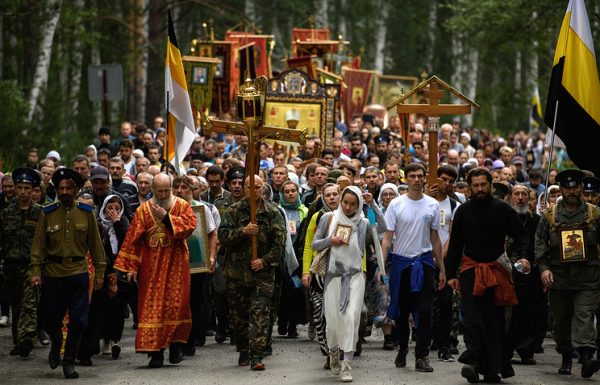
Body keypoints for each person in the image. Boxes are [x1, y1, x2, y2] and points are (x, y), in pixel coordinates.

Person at [445, 167, 528, 384]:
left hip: (496, 271)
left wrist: (522, 257)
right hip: (471, 271)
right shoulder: (463, 211)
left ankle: (492, 370)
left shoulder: (502, 209)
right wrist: (451, 273)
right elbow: (455, 245)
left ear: (490, 185)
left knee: (493, 322)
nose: (480, 189)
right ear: (470, 188)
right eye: (475, 185)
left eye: (483, 184)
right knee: (473, 320)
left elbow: (522, 237)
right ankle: (473, 362)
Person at [113, 173, 197, 368]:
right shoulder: (143, 210)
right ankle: (155, 353)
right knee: (153, 308)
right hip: (151, 267)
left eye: (167, 190)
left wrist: (167, 218)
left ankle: (175, 347)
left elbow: (190, 226)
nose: (164, 194)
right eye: (160, 191)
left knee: (176, 306)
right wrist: (131, 267)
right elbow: (133, 240)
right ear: (153, 189)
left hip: (176, 265)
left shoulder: (182, 206)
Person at [30, 168, 106, 379]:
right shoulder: (47, 212)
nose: (64, 191)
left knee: (79, 321)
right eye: (61, 188)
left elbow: (96, 246)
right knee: (51, 320)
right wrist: (35, 271)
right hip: (53, 274)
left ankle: (69, 361)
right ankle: (56, 343)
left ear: (76, 190)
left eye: (68, 188)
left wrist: (100, 272)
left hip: (78, 272)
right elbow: (38, 246)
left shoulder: (85, 212)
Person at [535, 169, 600, 378]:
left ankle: (587, 359)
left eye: (575, 187)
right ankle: (565, 357)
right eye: (567, 188)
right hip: (559, 277)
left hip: (588, 277)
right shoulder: (550, 214)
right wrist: (543, 269)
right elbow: (539, 244)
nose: (571, 191)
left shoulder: (594, 214)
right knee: (561, 320)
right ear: (561, 189)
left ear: (581, 188)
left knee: (584, 316)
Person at [381, 162, 446, 373]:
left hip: (425, 262)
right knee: (401, 312)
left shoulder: (432, 205)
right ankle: (402, 347)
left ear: (424, 178)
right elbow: (387, 238)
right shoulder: (396, 204)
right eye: (412, 176)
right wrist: (382, 268)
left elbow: (435, 237)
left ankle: (422, 356)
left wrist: (442, 268)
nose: (416, 180)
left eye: (420, 176)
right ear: (405, 179)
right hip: (401, 264)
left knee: (425, 311)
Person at [218, 175, 286, 371]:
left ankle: (257, 354)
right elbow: (223, 236)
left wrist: (264, 261)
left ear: (263, 188)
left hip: (262, 275)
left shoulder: (272, 212)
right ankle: (243, 349)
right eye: (250, 187)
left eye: (258, 187)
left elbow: (279, 243)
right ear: (244, 189)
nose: (254, 190)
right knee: (238, 317)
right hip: (237, 274)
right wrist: (243, 231)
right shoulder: (233, 211)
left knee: (260, 314)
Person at [311, 186, 370, 382]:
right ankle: (334, 352)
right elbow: (315, 244)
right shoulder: (328, 218)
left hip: (354, 277)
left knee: (352, 317)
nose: (348, 207)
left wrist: (375, 204)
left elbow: (384, 230)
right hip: (333, 277)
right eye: (345, 202)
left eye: (353, 204)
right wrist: (331, 240)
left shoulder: (363, 223)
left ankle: (347, 364)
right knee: (333, 322)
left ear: (359, 204)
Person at [172, 175, 217, 354]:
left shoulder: (201, 209)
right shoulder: (168, 208)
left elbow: (212, 234)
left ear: (191, 190)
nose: (180, 190)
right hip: (174, 264)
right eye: (177, 187)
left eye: (184, 187)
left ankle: (192, 339)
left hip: (197, 263)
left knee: (195, 301)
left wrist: (211, 257)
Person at [0, 168, 42, 358]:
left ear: (33, 190)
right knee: (15, 304)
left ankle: (27, 338)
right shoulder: (7, 213)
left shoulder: (40, 213)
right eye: (20, 188)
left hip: (30, 265)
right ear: (15, 189)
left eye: (27, 188)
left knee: (29, 302)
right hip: (10, 264)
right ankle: (18, 341)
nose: (23, 192)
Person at [301, 183, 341, 368]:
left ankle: (341, 349)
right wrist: (306, 271)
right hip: (320, 273)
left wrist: (362, 270)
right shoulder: (318, 217)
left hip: (343, 272)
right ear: (323, 198)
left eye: (335, 194)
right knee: (320, 314)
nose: (332, 197)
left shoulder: (351, 216)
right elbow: (309, 245)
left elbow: (360, 248)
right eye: (328, 195)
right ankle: (328, 353)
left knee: (340, 314)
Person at [505, 184, 544, 366]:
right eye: (516, 194)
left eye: (524, 194)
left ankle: (526, 350)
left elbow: (541, 243)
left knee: (530, 311)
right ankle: (506, 348)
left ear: (529, 198)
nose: (520, 198)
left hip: (532, 271)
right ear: (510, 197)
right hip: (508, 270)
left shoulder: (537, 220)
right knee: (509, 312)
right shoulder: (504, 217)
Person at [277, 180, 308, 338]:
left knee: (295, 290)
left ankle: (293, 325)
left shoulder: (304, 211)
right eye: (287, 191)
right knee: (282, 290)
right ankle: (282, 320)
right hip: (282, 256)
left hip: (298, 256)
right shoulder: (278, 210)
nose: (290, 194)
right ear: (282, 194)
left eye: (293, 191)